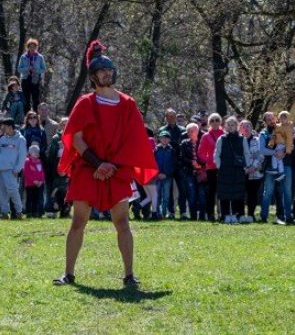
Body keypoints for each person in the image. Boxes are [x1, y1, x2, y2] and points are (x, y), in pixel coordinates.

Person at [53, 40, 158, 287]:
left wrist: (112, 166)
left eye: (109, 70)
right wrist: (98, 164)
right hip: (89, 168)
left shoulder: (128, 104)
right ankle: (68, 273)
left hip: (117, 170)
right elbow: (76, 138)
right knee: (78, 221)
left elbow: (134, 140)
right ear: (93, 76)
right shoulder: (85, 103)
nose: (107, 73)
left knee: (122, 222)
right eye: (102, 71)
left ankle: (129, 275)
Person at [214, 116, 251, 224]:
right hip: (225, 170)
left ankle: (238, 215)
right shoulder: (221, 139)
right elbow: (217, 154)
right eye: (228, 124)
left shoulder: (242, 139)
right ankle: (224, 215)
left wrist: (245, 166)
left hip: (238, 170)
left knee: (238, 193)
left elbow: (246, 153)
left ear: (237, 126)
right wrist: (219, 166)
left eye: (233, 124)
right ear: (225, 126)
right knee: (224, 193)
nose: (230, 127)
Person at [197, 113, 225, 222]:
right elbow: (200, 153)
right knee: (211, 192)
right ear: (209, 123)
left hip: (223, 168)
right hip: (211, 168)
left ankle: (223, 213)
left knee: (222, 191)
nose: (215, 122)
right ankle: (210, 214)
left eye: (217, 120)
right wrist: (210, 160)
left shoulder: (224, 134)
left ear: (220, 122)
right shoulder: (206, 136)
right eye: (212, 120)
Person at [0, 118, 26, 219]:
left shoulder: (20, 139)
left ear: (10, 127)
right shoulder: (2, 139)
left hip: (11, 170)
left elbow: (22, 155)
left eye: (4, 126)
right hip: (1, 169)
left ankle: (19, 212)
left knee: (13, 191)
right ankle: (4, 212)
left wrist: (17, 169)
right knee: (2, 192)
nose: (2, 128)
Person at [240, 120, 263, 221]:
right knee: (240, 194)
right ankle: (240, 215)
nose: (246, 128)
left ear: (252, 128)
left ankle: (250, 215)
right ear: (240, 129)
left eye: (248, 126)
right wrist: (245, 169)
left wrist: (253, 167)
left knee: (252, 195)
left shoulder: (257, 140)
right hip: (241, 172)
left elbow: (261, 155)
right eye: (243, 126)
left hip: (255, 172)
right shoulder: (238, 140)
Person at [17, 39, 47, 113]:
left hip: (35, 79)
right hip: (25, 79)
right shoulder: (23, 57)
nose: (32, 48)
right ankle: (26, 116)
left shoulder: (40, 57)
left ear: (36, 47)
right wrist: (27, 68)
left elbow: (43, 69)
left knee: (35, 98)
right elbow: (19, 69)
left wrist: (36, 70)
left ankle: (36, 116)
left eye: (34, 47)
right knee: (26, 98)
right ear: (28, 47)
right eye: (30, 46)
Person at [153, 131, 177, 219]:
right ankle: (157, 212)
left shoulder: (171, 150)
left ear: (169, 140)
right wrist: (157, 173)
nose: (164, 139)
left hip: (168, 177)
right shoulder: (155, 150)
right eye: (163, 137)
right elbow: (153, 163)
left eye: (166, 138)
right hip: (157, 177)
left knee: (166, 196)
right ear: (159, 139)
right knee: (157, 195)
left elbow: (174, 164)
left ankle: (164, 212)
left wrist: (167, 174)